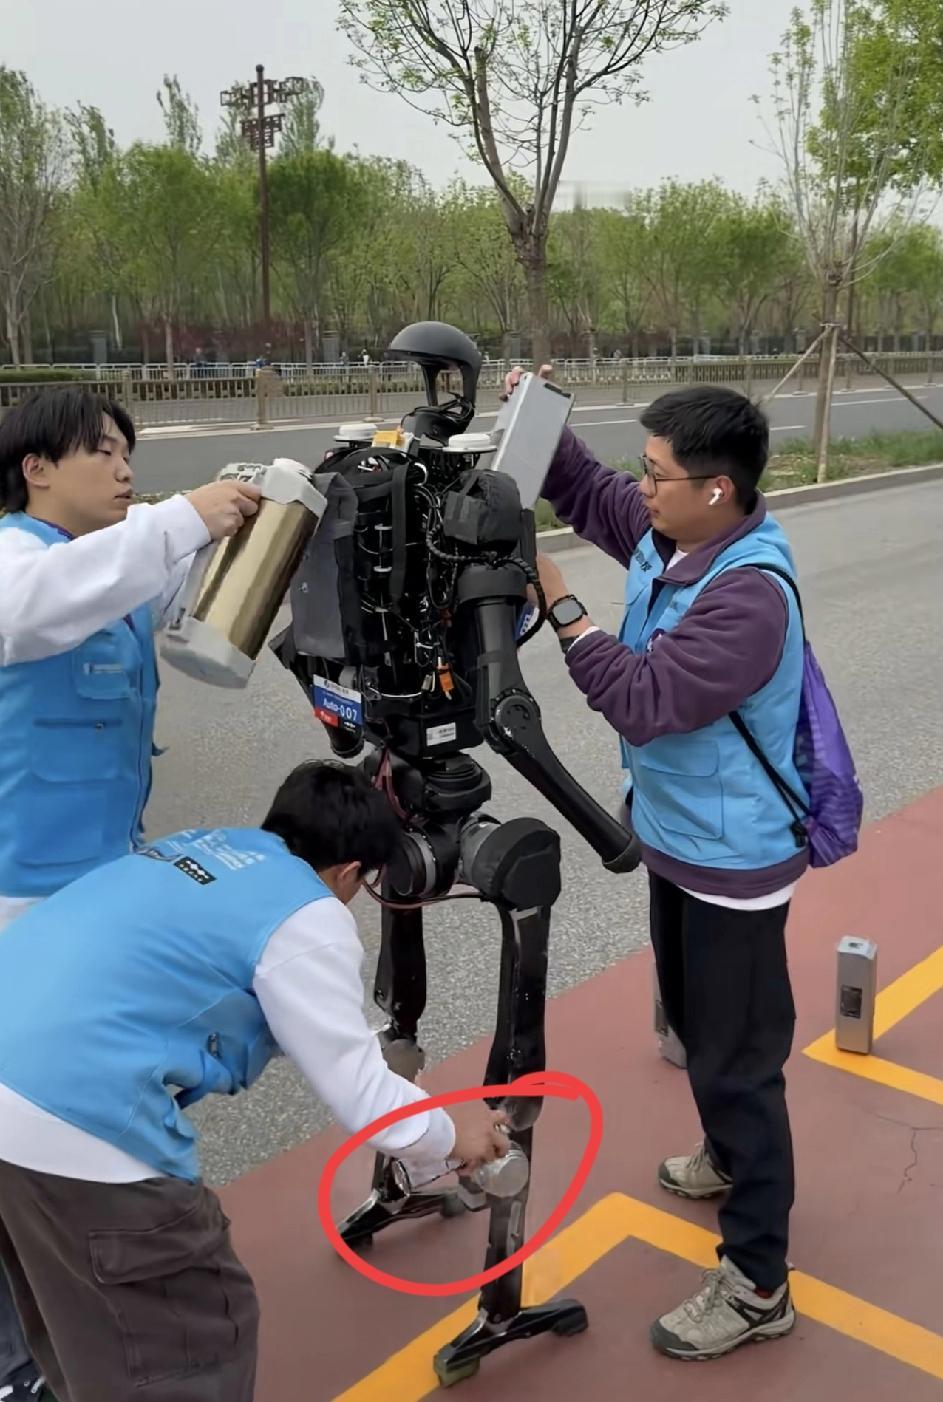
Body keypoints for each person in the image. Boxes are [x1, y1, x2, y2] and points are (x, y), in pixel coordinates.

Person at [0, 761, 507, 1402]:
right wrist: (453, 1134)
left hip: (15, 1073)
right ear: (350, 872)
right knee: (194, 1332)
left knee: (67, 1307)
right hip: (65, 1112)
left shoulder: (208, 848)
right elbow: (365, 1100)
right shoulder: (307, 914)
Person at [512, 372, 804, 1361]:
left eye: (655, 474)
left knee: (738, 1066)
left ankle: (758, 1284)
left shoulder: (748, 596)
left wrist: (561, 605)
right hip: (678, 842)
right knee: (690, 1021)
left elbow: (643, 700)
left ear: (716, 489)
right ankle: (724, 1152)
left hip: (735, 864)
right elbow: (584, 487)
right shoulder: (671, 532)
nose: (636, 489)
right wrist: (535, 413)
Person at [0, 386, 261, 1397]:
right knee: (29, 1138)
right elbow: (50, 601)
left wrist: (272, 514)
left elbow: (174, 591)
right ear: (35, 468)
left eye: (128, 453)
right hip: (15, 902)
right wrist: (183, 514)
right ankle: (22, 1357)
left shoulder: (107, 568)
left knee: (48, 1139)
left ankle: (44, 1341)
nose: (123, 470)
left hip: (90, 894)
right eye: (101, 452)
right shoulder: (17, 563)